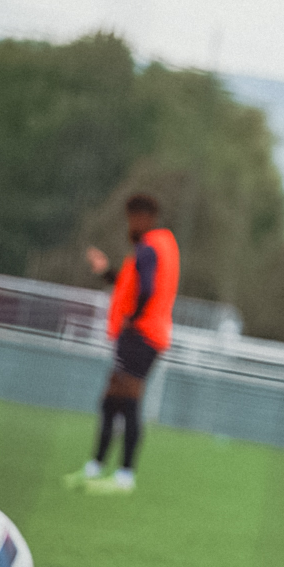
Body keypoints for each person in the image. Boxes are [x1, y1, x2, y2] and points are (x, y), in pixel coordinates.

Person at [65, 193, 179, 494]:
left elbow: (147, 289)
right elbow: (131, 285)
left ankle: (125, 475)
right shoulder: (162, 246)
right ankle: (97, 466)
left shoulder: (148, 248)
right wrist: (105, 270)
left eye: (131, 219)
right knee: (112, 399)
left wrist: (133, 317)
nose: (129, 226)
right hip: (148, 334)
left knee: (128, 401)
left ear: (143, 218)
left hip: (141, 335)